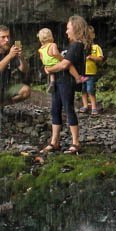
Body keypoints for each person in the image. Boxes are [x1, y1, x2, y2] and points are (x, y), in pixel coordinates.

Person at [41, 15, 88, 154]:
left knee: (68, 108)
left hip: (67, 82)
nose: (66, 32)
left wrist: (49, 69)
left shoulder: (77, 45)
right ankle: (54, 141)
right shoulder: (71, 45)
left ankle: (75, 142)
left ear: (76, 28)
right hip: (59, 81)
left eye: (68, 28)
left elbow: (65, 64)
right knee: (55, 109)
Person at [79, 25, 104, 115]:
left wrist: (92, 57)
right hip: (82, 72)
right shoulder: (81, 47)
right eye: (86, 36)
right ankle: (85, 105)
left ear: (93, 35)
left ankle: (93, 107)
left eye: (89, 35)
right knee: (83, 89)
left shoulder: (96, 47)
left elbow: (101, 58)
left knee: (90, 89)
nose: (87, 38)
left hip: (91, 73)